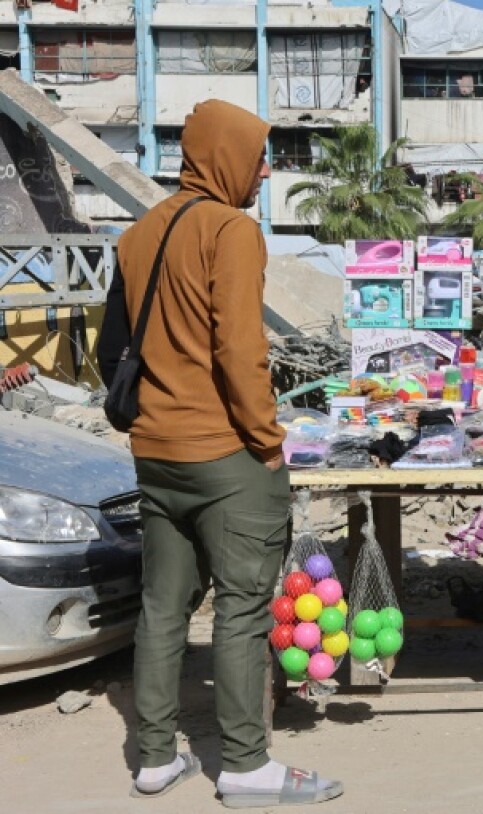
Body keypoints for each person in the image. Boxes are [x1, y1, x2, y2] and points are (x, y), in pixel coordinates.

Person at [99, 99, 342, 807]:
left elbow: (113, 344)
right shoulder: (232, 229)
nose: (265, 170)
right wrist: (268, 441)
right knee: (241, 608)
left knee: (162, 605)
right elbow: (241, 349)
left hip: (156, 449)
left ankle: (152, 758)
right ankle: (245, 766)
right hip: (224, 455)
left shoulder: (140, 232)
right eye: (259, 155)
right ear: (226, 156)